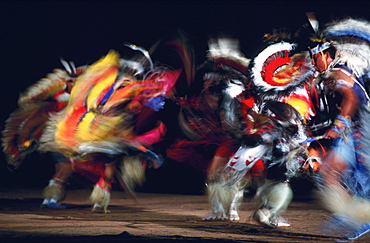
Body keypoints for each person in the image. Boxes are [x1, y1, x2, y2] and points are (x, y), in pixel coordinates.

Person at [309, 17, 370, 241]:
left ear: (326, 55)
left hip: (362, 125)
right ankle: (352, 217)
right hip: (352, 127)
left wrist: (338, 125)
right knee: (328, 171)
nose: (313, 62)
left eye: (315, 57)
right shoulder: (333, 75)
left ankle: (359, 219)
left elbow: (351, 99)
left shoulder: (339, 72)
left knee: (361, 176)